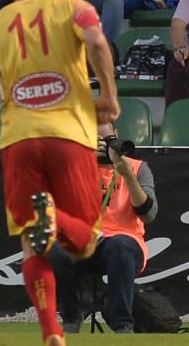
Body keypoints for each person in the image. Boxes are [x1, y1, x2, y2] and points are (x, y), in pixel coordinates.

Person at [0, 0, 119, 346]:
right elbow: (96, 42)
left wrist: (11, 87)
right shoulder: (73, 7)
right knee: (85, 243)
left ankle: (51, 331)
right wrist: (108, 93)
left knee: (30, 242)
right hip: (69, 134)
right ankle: (54, 219)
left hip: (19, 138)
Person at [50, 122, 157, 334]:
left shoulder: (137, 168)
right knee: (57, 249)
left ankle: (122, 324)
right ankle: (71, 317)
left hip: (124, 240)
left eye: (107, 140)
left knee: (119, 245)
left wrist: (126, 174)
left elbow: (148, 214)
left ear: (116, 135)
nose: (103, 147)